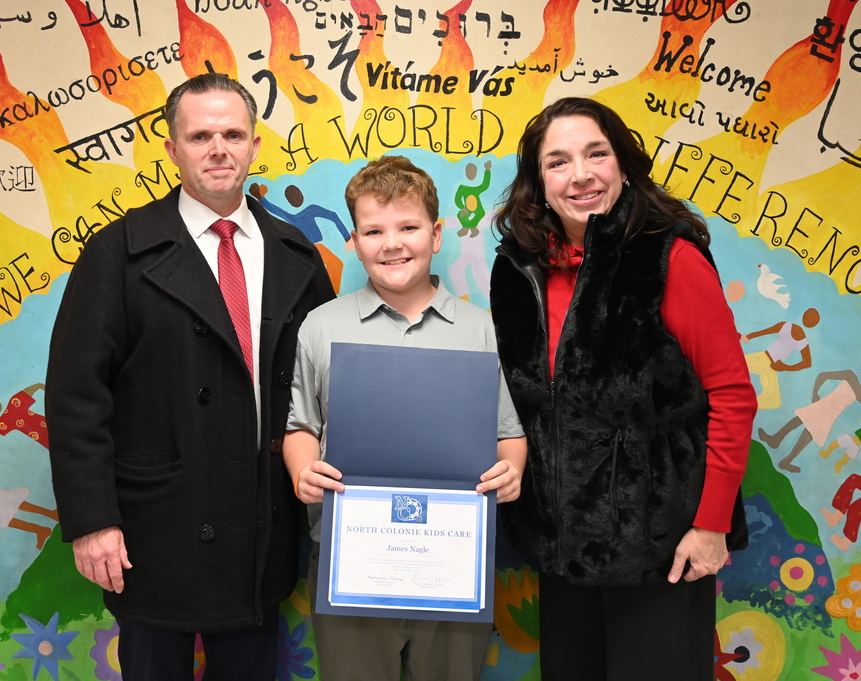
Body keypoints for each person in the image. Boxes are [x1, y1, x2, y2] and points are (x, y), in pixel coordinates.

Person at [45, 73, 334, 681]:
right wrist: (93, 520)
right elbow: (76, 398)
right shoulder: (117, 253)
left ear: (255, 144)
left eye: (232, 133)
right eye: (200, 135)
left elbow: (324, 390)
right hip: (156, 529)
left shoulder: (296, 256)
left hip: (260, 524)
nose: (218, 149)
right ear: (173, 148)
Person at [488, 98, 756, 681]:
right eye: (558, 161)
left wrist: (710, 526)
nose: (579, 174)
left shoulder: (670, 259)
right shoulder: (520, 269)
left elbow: (732, 396)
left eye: (595, 154)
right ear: (540, 183)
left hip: (660, 549)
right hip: (562, 550)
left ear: (624, 164)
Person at [283, 155, 526, 681]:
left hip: (454, 564)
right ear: (354, 241)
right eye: (374, 230)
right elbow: (300, 423)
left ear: (436, 235)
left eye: (408, 227)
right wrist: (303, 469)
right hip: (350, 559)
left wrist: (512, 470)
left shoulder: (481, 329)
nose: (392, 243)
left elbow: (508, 432)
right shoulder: (321, 327)